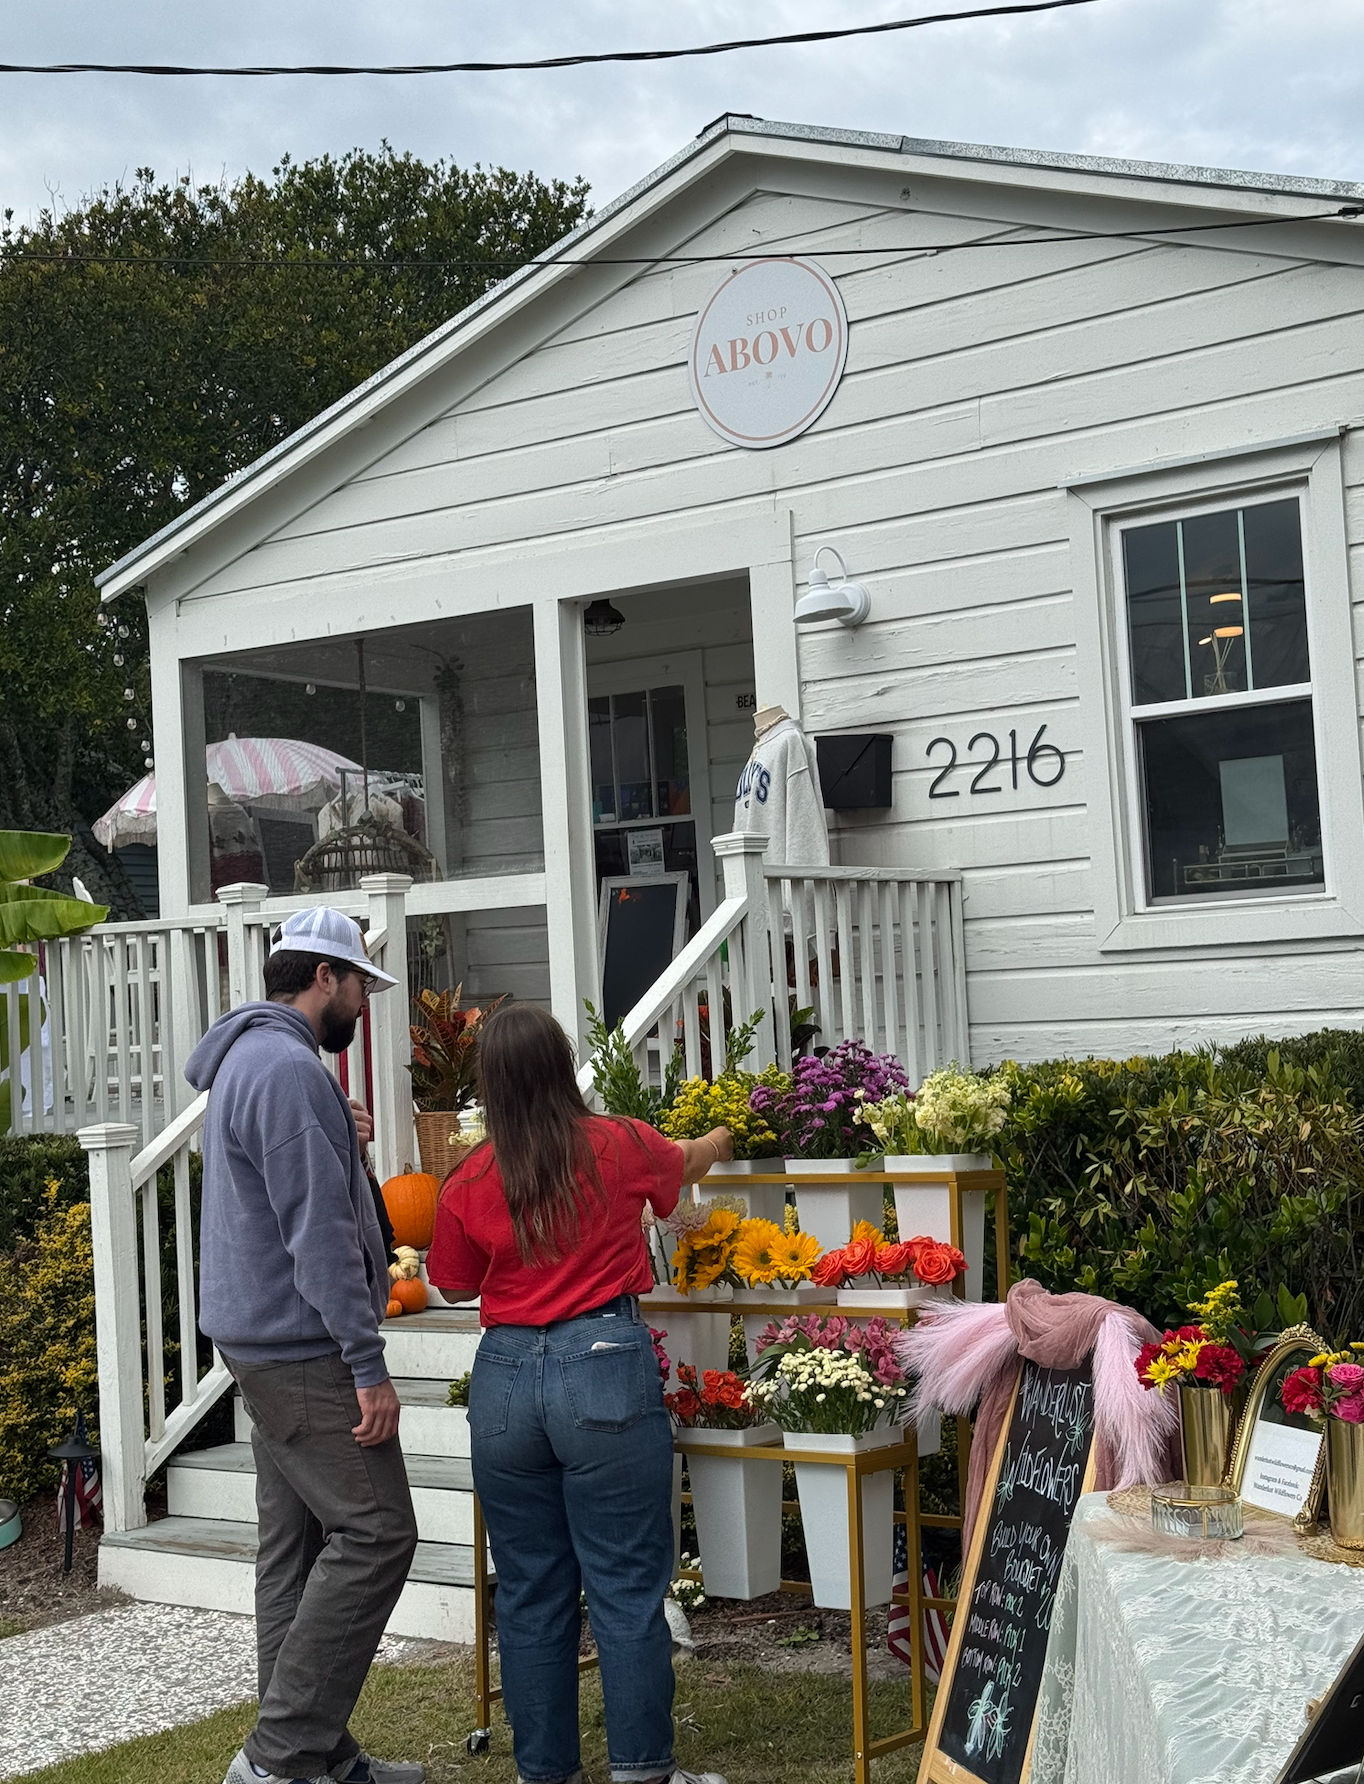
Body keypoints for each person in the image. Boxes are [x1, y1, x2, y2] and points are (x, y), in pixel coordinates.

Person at [426, 1003, 733, 1784]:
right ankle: (640, 1771)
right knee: (626, 1585)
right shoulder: (618, 1142)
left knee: (529, 1591)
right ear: (564, 1066)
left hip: (502, 1378)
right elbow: (686, 1163)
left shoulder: (468, 1176)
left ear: (488, 1086)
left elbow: (453, 1285)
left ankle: (546, 1773)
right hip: (601, 1358)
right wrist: (726, 1132)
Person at [186, 906, 424, 1784]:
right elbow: (316, 1233)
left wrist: (342, 1136)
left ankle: (316, 1758)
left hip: (263, 1343)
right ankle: (280, 1760)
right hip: (303, 1348)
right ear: (326, 976)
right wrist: (368, 1366)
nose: (365, 1002)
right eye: (362, 983)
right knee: (377, 1534)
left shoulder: (259, 1061)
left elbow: (298, 1191)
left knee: (291, 1548)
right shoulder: (286, 1069)